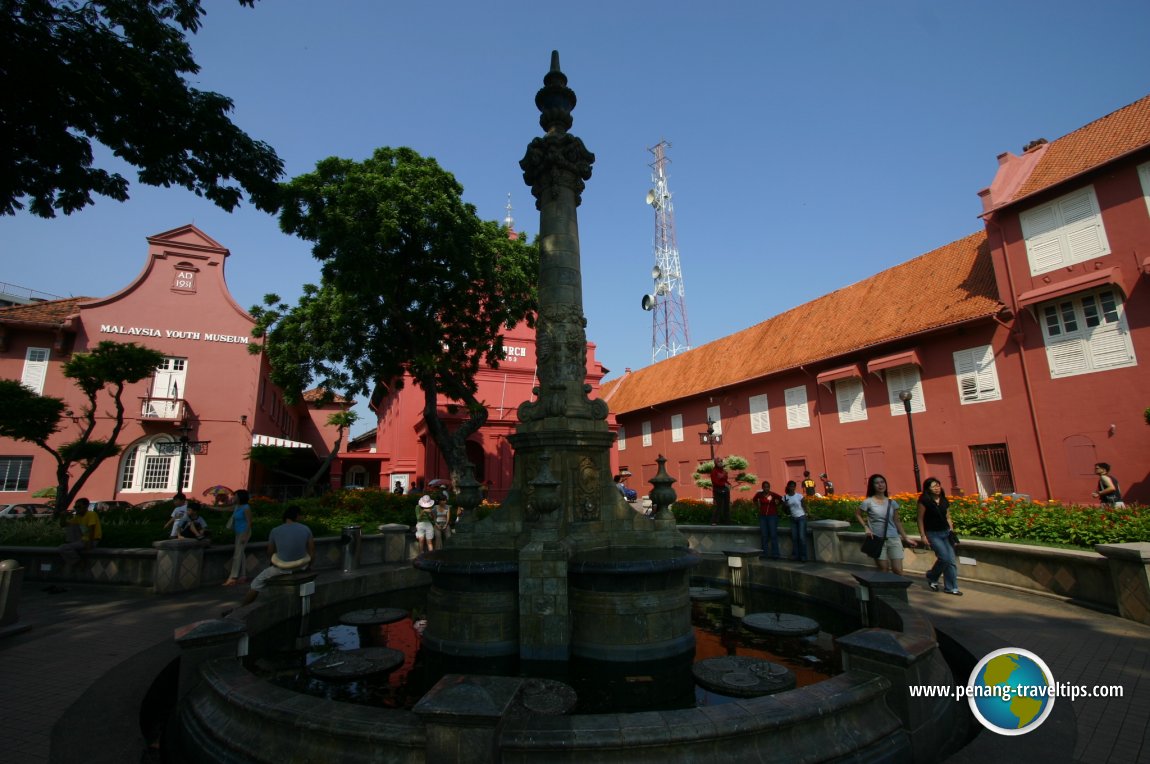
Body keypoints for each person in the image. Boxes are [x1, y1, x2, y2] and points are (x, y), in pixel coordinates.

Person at [226, 505, 315, 614]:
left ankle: (240, 609)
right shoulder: (306, 529)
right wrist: (309, 566)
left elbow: (270, 552)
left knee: (256, 583)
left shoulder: (275, 530)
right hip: (302, 566)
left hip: (282, 567)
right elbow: (312, 552)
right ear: (297, 515)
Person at [855, 474, 918, 574]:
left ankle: (897, 589)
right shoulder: (868, 502)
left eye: (882, 482)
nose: (880, 485)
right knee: (883, 569)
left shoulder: (892, 503)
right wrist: (866, 527)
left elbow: (897, 521)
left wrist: (905, 538)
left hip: (893, 539)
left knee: (898, 570)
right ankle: (884, 589)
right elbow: (858, 514)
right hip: (877, 539)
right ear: (872, 486)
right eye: (877, 483)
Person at [917, 477, 961, 596]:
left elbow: (948, 517)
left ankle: (951, 587)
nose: (937, 488)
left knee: (951, 561)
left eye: (938, 485)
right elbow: (920, 519)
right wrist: (923, 535)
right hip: (933, 534)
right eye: (933, 486)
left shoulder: (944, 500)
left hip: (946, 533)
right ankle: (932, 576)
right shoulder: (924, 501)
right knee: (944, 558)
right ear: (928, 489)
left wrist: (951, 531)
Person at [58, 497, 101, 567]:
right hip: (83, 540)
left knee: (63, 548)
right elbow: (63, 525)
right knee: (72, 525)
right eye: (75, 507)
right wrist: (63, 516)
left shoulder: (91, 514)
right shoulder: (78, 517)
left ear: (86, 506)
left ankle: (79, 562)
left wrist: (89, 543)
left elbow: (91, 529)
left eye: (79, 506)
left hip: (92, 540)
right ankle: (71, 545)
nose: (76, 508)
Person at [224, 489, 252, 586]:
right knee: (241, 553)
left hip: (244, 532)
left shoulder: (246, 508)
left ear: (240, 497)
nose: (233, 497)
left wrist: (244, 535)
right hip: (238, 532)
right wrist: (209, 507)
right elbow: (225, 509)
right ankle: (243, 575)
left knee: (237, 554)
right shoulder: (236, 507)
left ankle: (233, 577)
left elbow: (249, 522)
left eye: (235, 496)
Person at [753, 481, 783, 559]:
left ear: (769, 487)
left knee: (773, 535)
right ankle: (764, 553)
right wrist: (758, 507)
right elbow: (754, 500)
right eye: (765, 487)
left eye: (768, 487)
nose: (766, 488)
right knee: (764, 535)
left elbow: (782, 499)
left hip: (772, 516)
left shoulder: (772, 494)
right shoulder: (759, 494)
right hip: (763, 516)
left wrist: (777, 505)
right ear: (762, 487)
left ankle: (775, 554)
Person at [781, 480, 809, 561]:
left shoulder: (799, 496)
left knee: (801, 537)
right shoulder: (785, 497)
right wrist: (785, 506)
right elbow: (784, 510)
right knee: (794, 538)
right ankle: (796, 555)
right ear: (788, 487)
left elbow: (804, 506)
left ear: (795, 487)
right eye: (790, 486)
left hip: (801, 517)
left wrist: (807, 514)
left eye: (793, 486)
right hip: (793, 518)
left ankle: (803, 556)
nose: (792, 488)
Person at [709, 458, 731, 525]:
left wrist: (729, 484)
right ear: (716, 463)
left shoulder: (724, 471)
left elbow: (725, 480)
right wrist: (724, 484)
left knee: (726, 505)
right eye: (719, 462)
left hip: (725, 490)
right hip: (717, 490)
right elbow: (714, 482)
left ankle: (727, 521)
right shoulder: (714, 471)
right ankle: (714, 521)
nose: (720, 463)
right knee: (718, 506)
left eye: (721, 462)